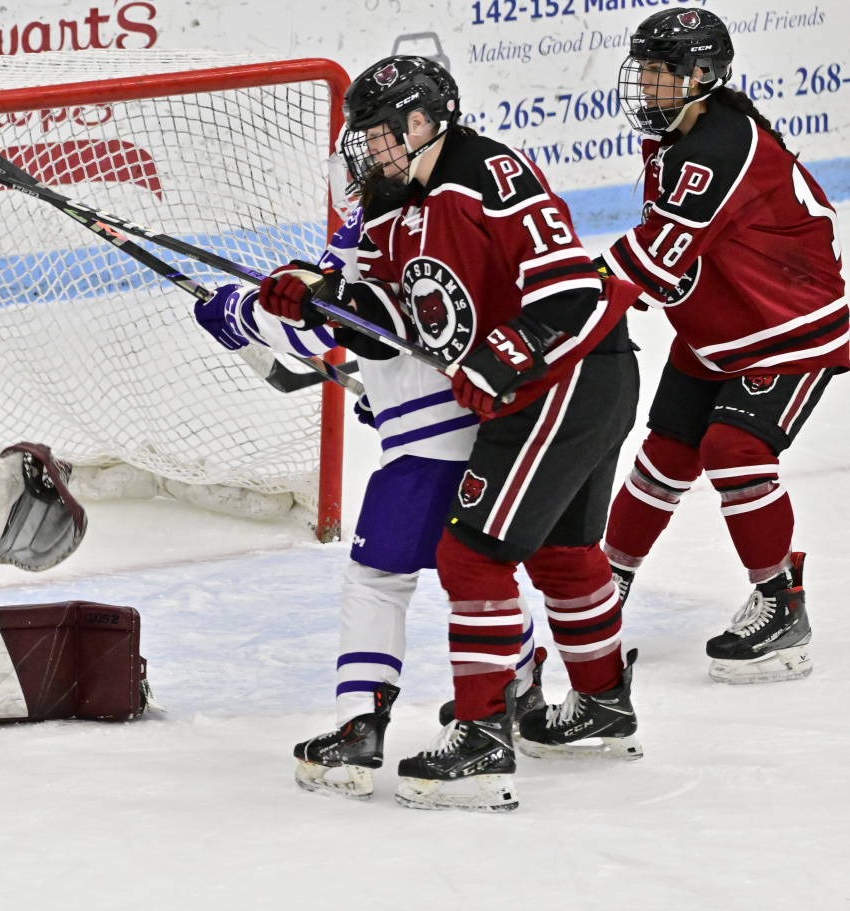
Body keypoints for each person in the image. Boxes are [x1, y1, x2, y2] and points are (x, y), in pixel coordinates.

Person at [256, 56, 642, 811]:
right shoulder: (392, 207)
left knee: (471, 552)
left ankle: (483, 737)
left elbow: (569, 292)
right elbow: (394, 319)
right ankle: (602, 703)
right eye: (365, 138)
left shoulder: (486, 173)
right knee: (562, 553)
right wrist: (322, 298)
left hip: (570, 372)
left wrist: (498, 360)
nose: (371, 151)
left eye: (381, 134)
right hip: (565, 382)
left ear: (423, 122)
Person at [193, 201, 546, 801]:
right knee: (481, 570)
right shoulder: (459, 204)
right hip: (493, 424)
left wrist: (240, 313)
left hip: (429, 442)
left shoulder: (379, 219)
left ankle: (359, 726)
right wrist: (386, 395)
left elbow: (330, 319)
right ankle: (521, 684)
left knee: (378, 580)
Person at [598, 8, 846, 684]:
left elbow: (655, 254)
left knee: (734, 450)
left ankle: (781, 604)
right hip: (718, 323)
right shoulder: (678, 135)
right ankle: (604, 586)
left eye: (662, 70)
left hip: (787, 324)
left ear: (703, 74)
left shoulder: (720, 144)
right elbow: (670, 255)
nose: (647, 83)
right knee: (666, 454)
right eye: (644, 69)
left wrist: (571, 297)